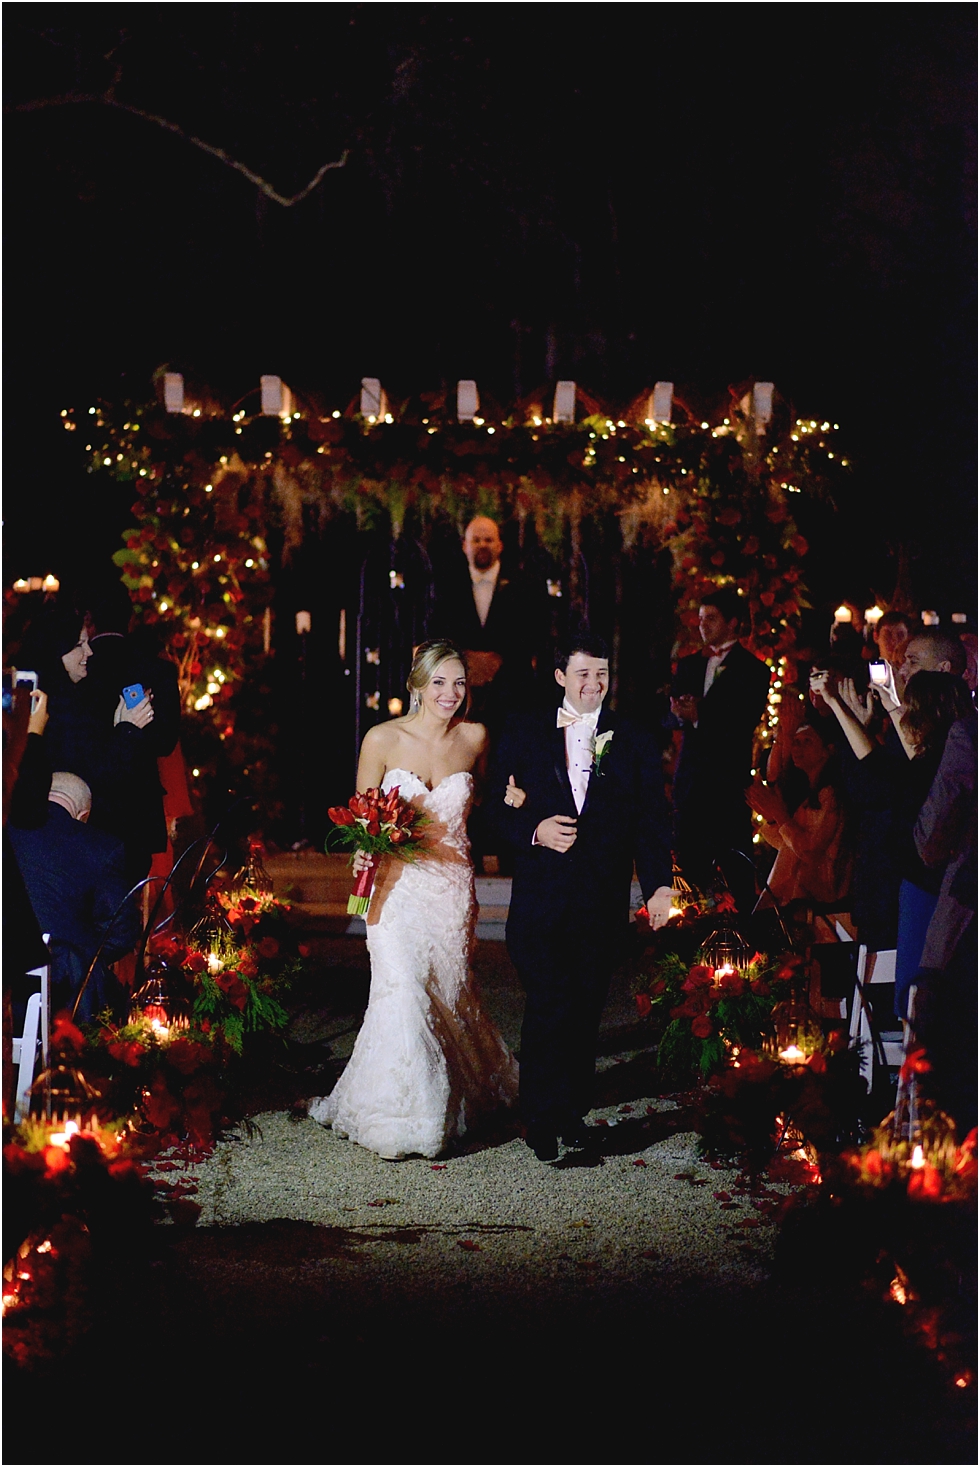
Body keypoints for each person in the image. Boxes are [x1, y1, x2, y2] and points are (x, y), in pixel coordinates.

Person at [307, 640, 518, 1160]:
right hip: (396, 890)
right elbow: (362, 815)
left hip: (449, 890)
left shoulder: (475, 737)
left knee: (447, 991)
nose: (450, 694)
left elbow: (487, 806)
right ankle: (408, 1118)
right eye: (440, 682)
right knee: (402, 991)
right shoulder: (382, 738)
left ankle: (465, 1089)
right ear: (417, 685)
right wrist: (362, 850)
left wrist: (519, 804)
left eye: (459, 683)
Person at [486, 634, 673, 1161]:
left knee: (586, 1009)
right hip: (542, 902)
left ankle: (571, 1115)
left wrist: (660, 884)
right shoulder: (525, 729)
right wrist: (534, 829)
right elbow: (492, 815)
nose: (594, 685)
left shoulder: (632, 737)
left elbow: (651, 821)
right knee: (549, 1004)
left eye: (602, 676)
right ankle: (540, 1118)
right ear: (561, 677)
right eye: (584, 675)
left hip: (600, 900)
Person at [8, 771, 140, 1021]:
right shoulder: (101, 847)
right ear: (84, 816)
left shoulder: (8, 827)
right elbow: (120, 932)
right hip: (62, 990)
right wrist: (82, 956)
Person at [669, 589, 772, 909]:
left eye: (711, 619)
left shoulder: (753, 670)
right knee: (688, 873)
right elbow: (670, 714)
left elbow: (742, 722)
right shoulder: (688, 666)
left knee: (736, 870)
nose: (703, 626)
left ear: (733, 622)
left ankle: (745, 944)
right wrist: (678, 712)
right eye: (700, 619)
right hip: (691, 782)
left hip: (727, 784)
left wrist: (701, 715)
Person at [430, 515, 537, 732]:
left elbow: (534, 632)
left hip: (511, 695)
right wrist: (467, 659)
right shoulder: (446, 584)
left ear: (500, 545)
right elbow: (436, 631)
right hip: (458, 696)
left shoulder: (524, 584)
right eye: (476, 540)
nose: (482, 545)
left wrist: (497, 661)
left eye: (488, 540)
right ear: (464, 546)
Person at [747, 719, 852, 907]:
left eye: (807, 741)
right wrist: (771, 818)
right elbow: (789, 847)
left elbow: (810, 852)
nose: (797, 747)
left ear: (827, 750)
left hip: (816, 902)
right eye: (795, 742)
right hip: (799, 898)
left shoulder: (830, 795)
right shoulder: (810, 795)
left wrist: (779, 815)